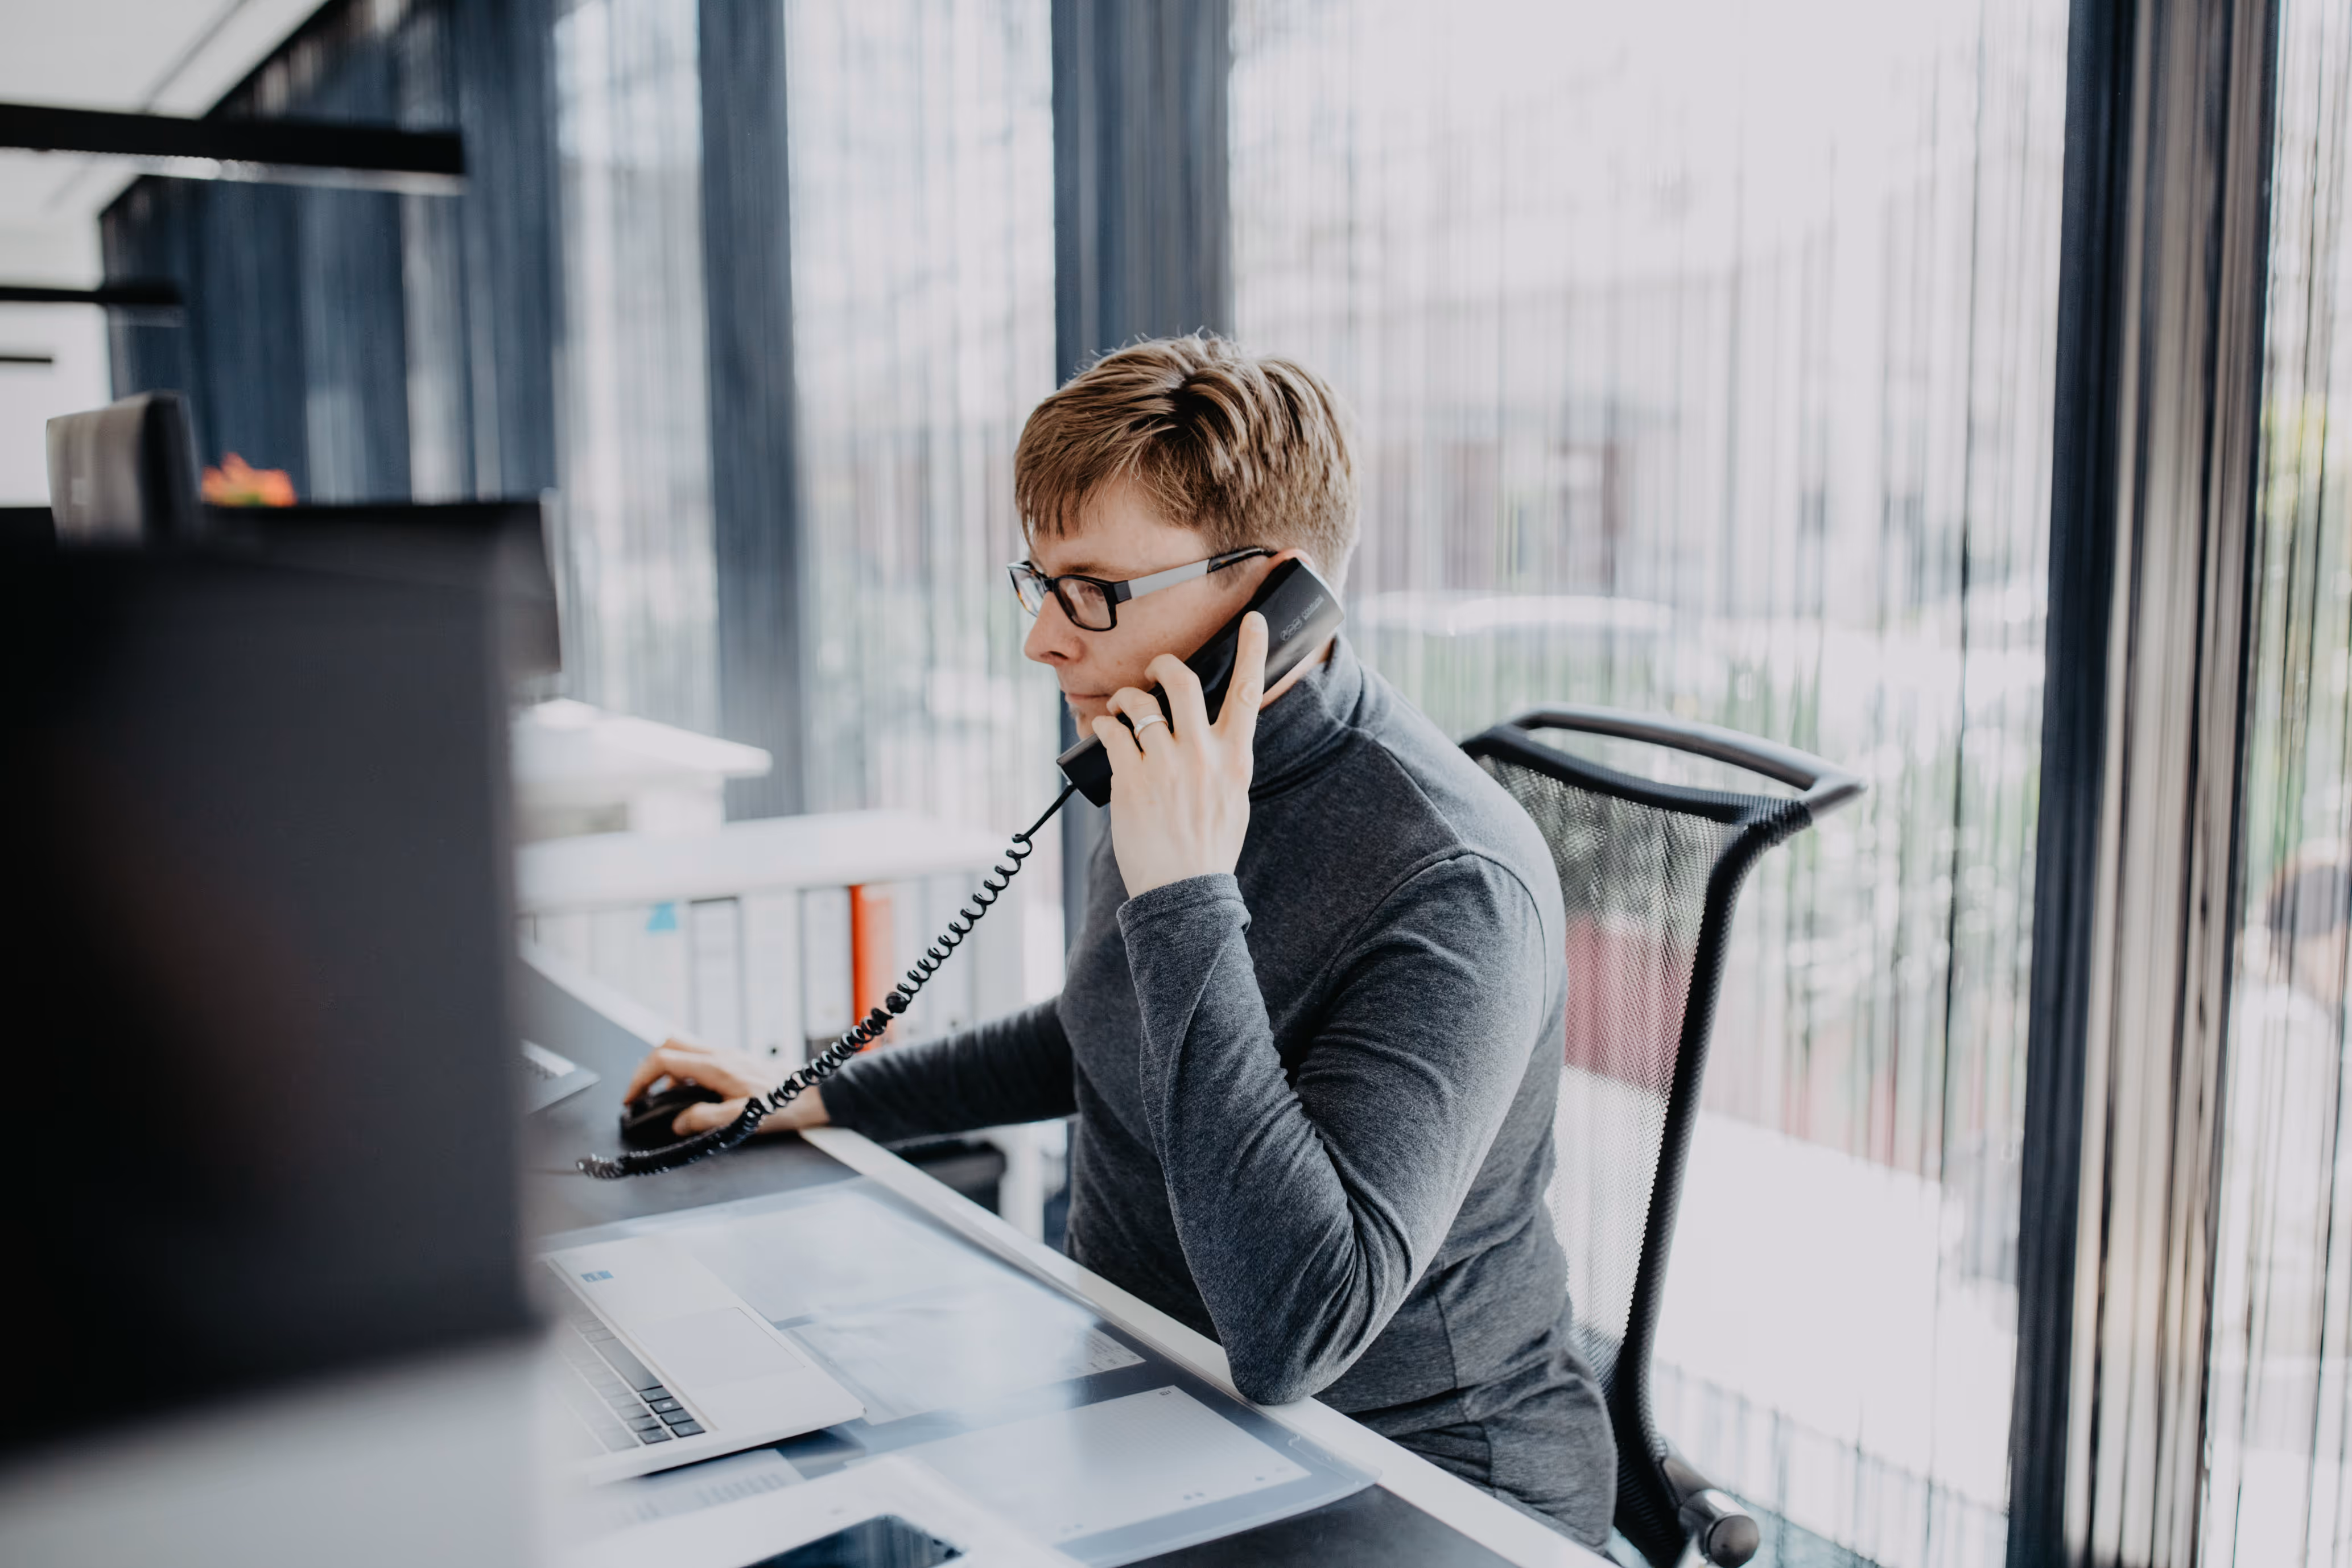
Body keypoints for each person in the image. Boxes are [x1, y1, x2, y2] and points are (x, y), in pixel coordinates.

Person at [622, 334, 1616, 1543]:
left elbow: (1299, 1327)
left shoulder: (1451, 880)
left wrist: (1185, 887)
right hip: (1146, 1389)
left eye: (1092, 590)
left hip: (1413, 1471)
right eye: (1037, 584)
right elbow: (1101, 1030)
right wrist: (814, 1093)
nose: (1044, 639)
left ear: (1270, 598)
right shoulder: (1177, 756)